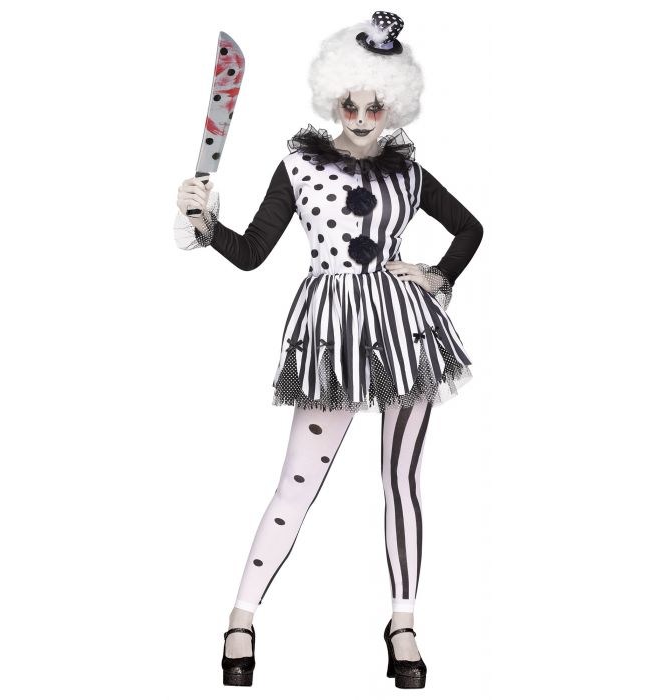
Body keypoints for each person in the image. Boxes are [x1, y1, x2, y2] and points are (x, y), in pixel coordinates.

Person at [174, 11, 483, 689]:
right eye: (351, 104)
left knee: (401, 481)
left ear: (394, 102)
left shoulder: (410, 173)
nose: (363, 117)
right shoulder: (299, 165)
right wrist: (204, 222)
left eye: (376, 105)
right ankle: (240, 617)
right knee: (297, 481)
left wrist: (437, 276)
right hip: (332, 338)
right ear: (332, 98)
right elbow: (252, 253)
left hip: (404, 335)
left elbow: (470, 229)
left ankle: (403, 622)